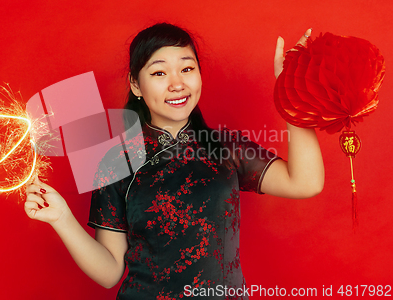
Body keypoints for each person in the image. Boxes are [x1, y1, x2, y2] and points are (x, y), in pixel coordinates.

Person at [24, 23, 324, 299]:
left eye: (187, 68)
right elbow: (110, 272)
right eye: (159, 73)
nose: (177, 84)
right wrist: (62, 219)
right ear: (136, 85)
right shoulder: (118, 161)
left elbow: (305, 182)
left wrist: (292, 92)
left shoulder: (225, 148)